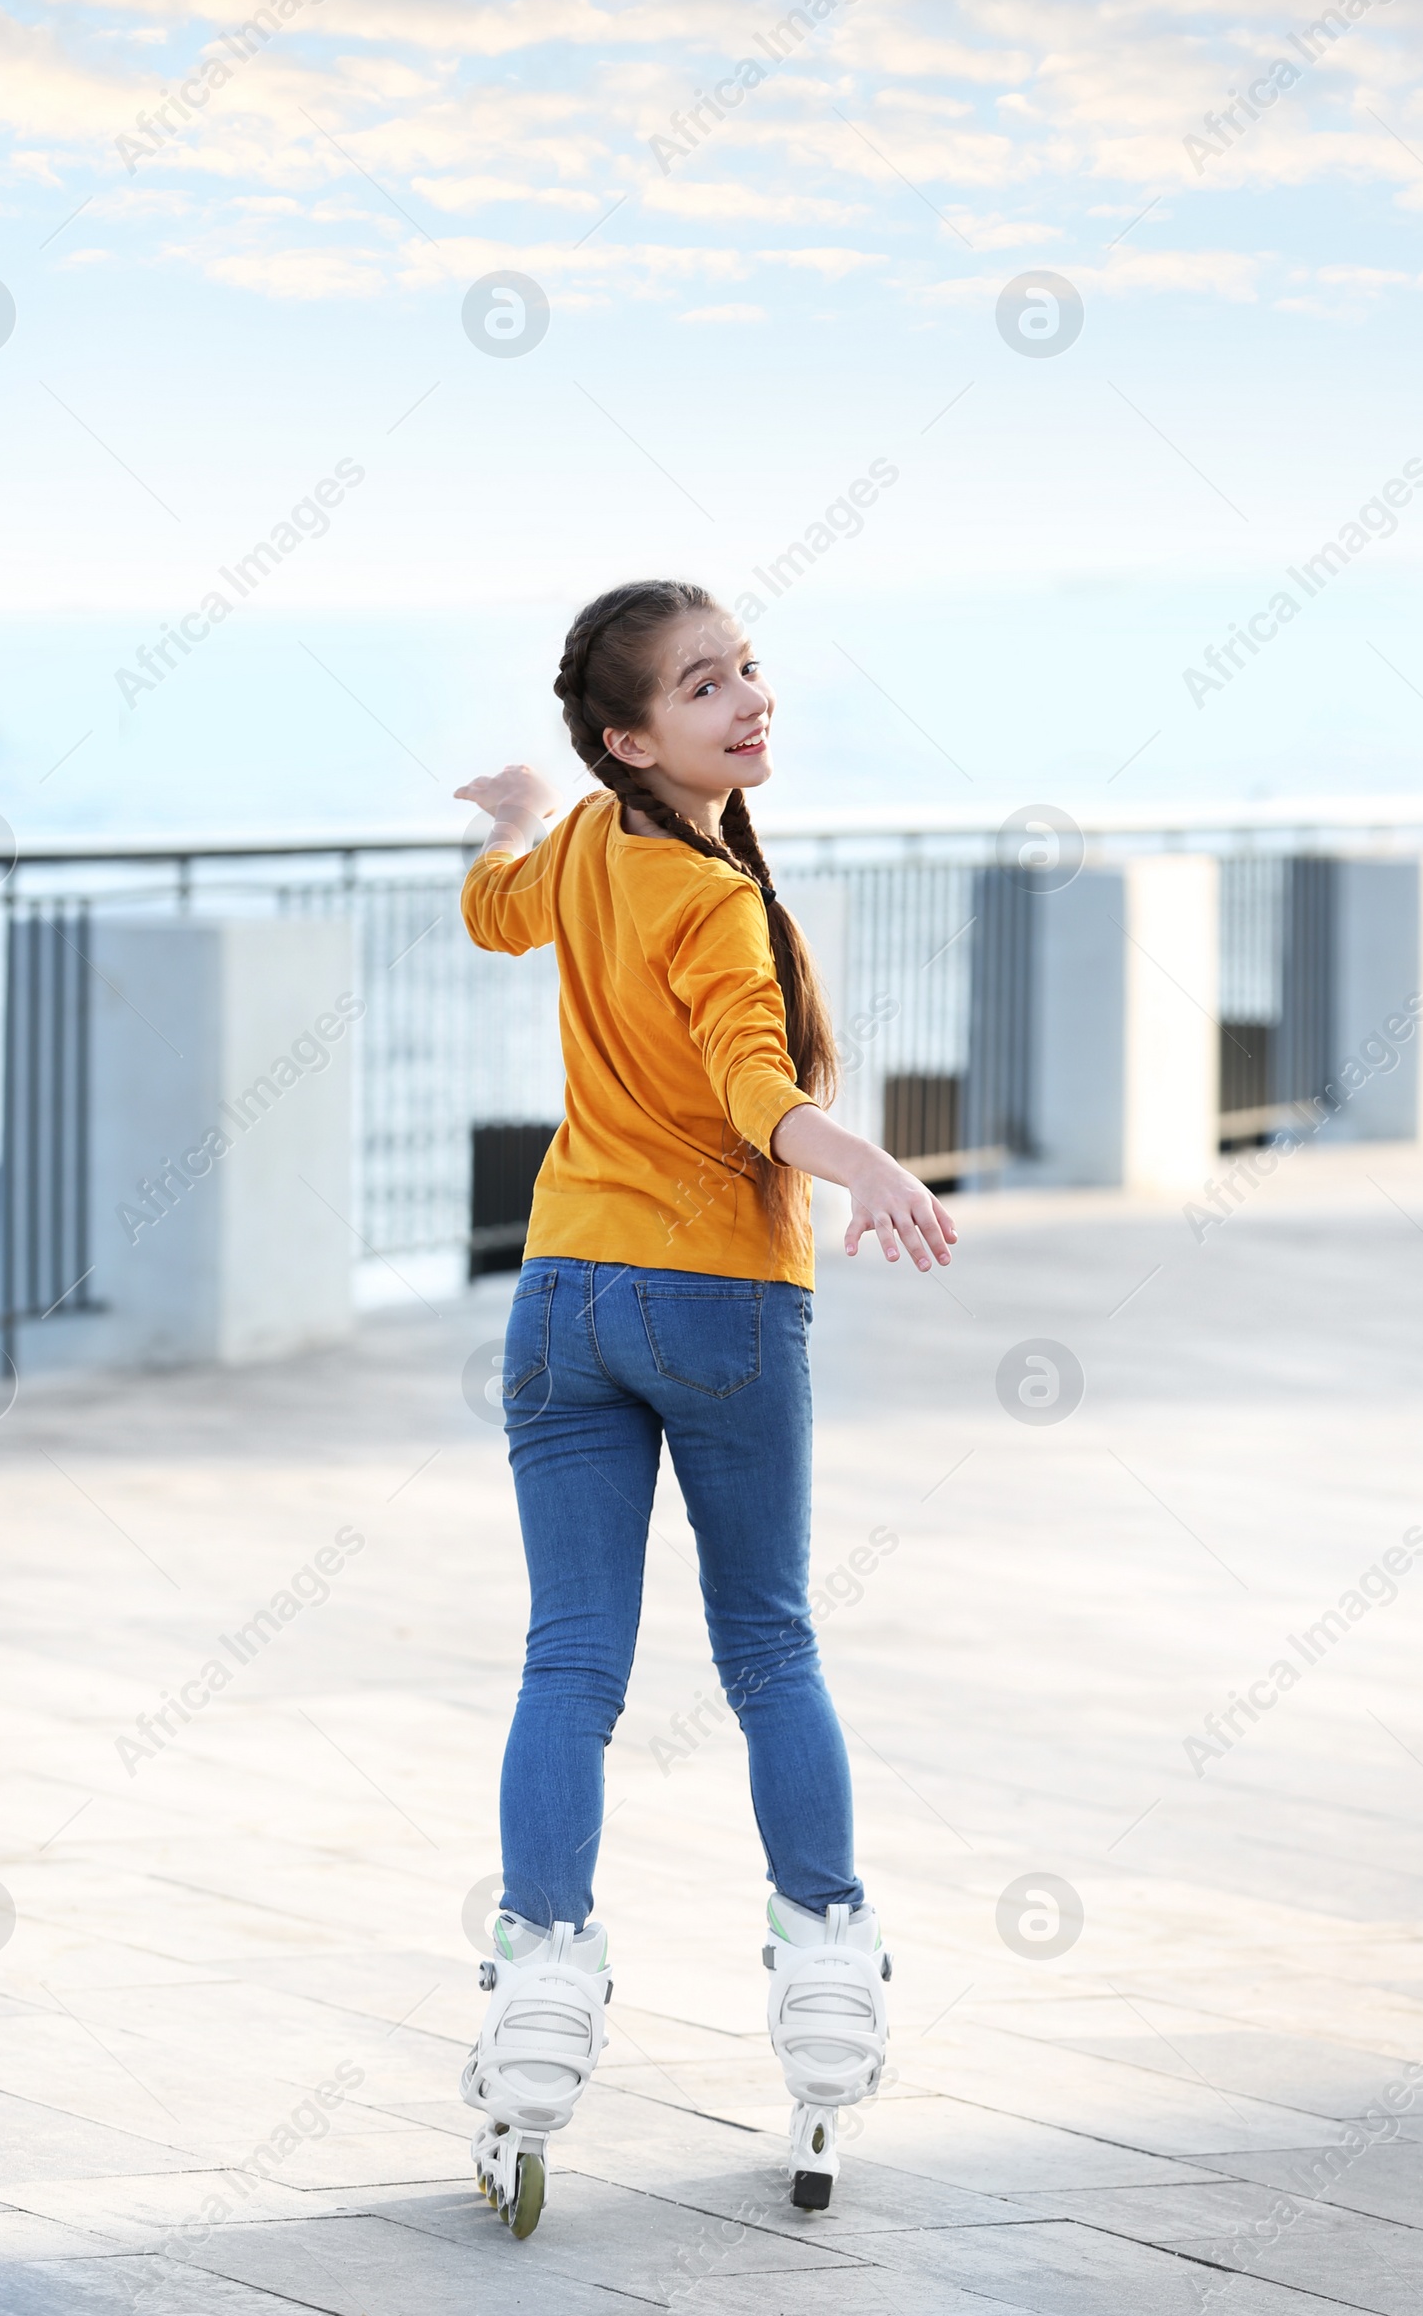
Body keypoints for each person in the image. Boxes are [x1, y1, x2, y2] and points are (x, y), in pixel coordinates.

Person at [452, 578, 956, 2237]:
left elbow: (496, 912)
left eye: (745, 670)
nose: (748, 702)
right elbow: (757, 1094)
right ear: (632, 737)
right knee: (768, 1651)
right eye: (701, 688)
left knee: (571, 1667)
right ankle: (824, 1989)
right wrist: (862, 1155)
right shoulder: (713, 901)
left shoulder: (595, 847)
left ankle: (533, 2013)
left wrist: (525, 814)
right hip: (722, 1303)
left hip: (563, 1296)